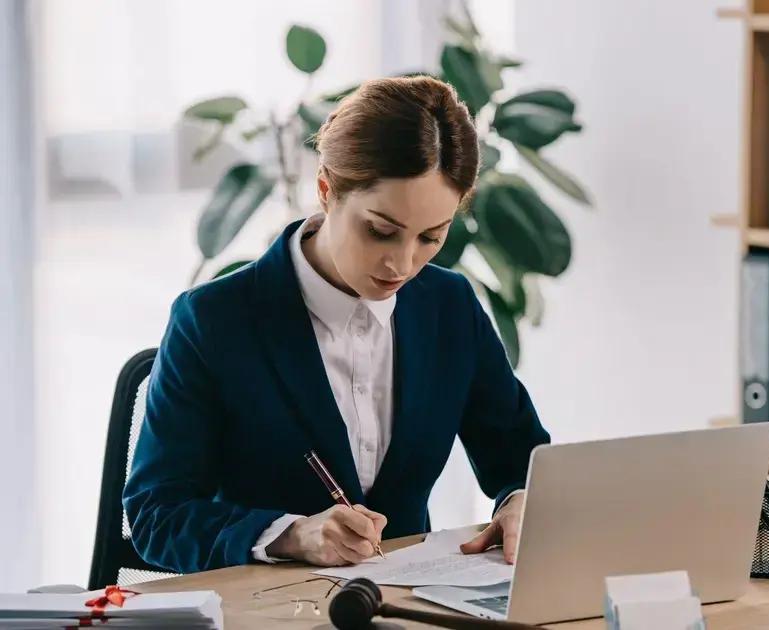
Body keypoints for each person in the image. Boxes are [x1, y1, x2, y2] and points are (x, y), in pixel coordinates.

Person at [123, 77, 551, 573]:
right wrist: (289, 534)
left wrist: (521, 499)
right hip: (266, 612)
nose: (402, 264)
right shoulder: (214, 321)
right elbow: (157, 515)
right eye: (380, 231)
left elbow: (521, 457)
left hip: (407, 606)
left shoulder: (449, 305)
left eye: (431, 237)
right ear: (326, 190)